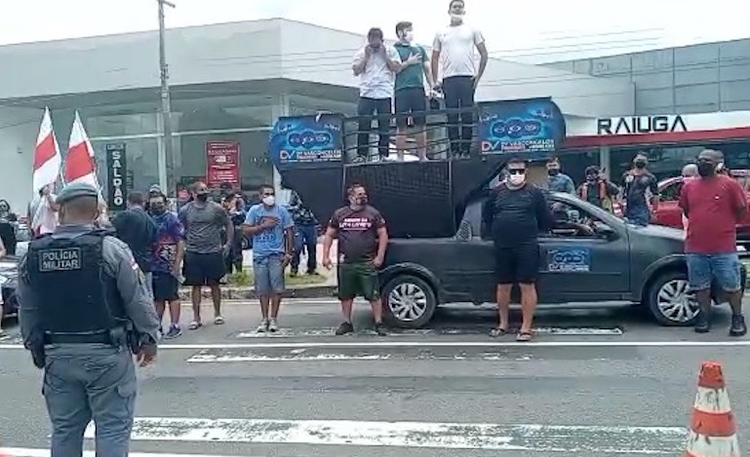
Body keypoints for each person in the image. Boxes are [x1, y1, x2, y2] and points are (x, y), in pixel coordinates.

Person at [17, 182, 159, 457]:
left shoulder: (33, 253)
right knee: (112, 429)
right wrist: (149, 338)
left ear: (59, 212)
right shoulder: (112, 249)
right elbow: (137, 299)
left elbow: (28, 307)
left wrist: (33, 343)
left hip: (58, 353)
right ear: (96, 213)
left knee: (65, 430)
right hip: (106, 352)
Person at [482, 158, 552, 342]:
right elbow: (487, 216)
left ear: (526, 172)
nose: (516, 175)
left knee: (526, 285)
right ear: (506, 172)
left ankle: (526, 328)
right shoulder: (496, 193)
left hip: (526, 245)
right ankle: (503, 324)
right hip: (502, 245)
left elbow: (544, 219)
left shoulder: (535, 193)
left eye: (520, 171)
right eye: (513, 171)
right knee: (503, 285)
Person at [680, 149, 747, 336]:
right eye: (700, 160)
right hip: (695, 246)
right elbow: (686, 211)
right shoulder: (689, 187)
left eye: (707, 161)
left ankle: (737, 318)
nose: (703, 164)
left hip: (723, 247)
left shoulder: (730, 185)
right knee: (700, 286)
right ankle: (704, 316)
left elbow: (741, 210)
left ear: (718, 164)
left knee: (732, 285)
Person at [322, 184, 389, 336]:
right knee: (345, 294)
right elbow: (329, 235)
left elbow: (383, 234)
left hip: (367, 261)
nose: (363, 197)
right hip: (346, 262)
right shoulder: (340, 214)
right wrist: (325, 256)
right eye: (359, 194)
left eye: (364, 194)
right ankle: (347, 322)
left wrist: (380, 256)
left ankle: (379, 323)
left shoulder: (373, 213)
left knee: (373, 294)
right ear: (351, 197)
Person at [431, 0, 488, 158]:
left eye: (460, 7)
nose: (457, 9)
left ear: (464, 11)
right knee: (452, 115)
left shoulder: (472, 29)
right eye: (455, 7)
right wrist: (435, 80)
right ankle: (455, 149)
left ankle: (466, 149)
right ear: (449, 10)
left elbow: (484, 53)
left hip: (467, 77)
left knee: (467, 114)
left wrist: (478, 77)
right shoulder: (441, 32)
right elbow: (434, 57)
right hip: (448, 78)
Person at [179, 181, 233, 330]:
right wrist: (182, 246)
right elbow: (180, 228)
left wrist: (228, 244)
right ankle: (196, 318)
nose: (204, 192)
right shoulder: (185, 210)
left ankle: (217, 313)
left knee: (214, 284)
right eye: (201, 190)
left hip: (213, 251)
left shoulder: (216, 209)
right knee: (195, 286)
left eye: (205, 189)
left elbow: (228, 224)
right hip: (193, 252)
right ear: (193, 193)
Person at [243, 185, 294, 333]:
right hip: (260, 255)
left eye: (272, 194)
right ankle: (264, 318)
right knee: (262, 290)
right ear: (260, 196)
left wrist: (289, 253)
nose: (270, 196)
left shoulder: (281, 211)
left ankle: (273, 319)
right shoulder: (254, 211)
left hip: (276, 255)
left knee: (277, 289)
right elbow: (246, 230)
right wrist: (263, 226)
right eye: (266, 194)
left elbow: (289, 231)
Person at [352, 27, 404, 161]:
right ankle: (362, 155)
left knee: (384, 126)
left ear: (382, 40)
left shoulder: (391, 51)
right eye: (371, 41)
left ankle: (383, 155)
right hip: (367, 92)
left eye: (376, 41)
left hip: (384, 92)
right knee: (364, 124)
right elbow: (356, 71)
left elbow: (397, 68)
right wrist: (367, 57)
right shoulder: (362, 52)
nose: (373, 44)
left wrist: (384, 56)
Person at [393, 21, 436, 162]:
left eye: (411, 30)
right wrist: (409, 62)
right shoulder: (394, 49)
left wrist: (432, 86)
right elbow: (395, 68)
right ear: (400, 32)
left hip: (418, 89)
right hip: (401, 90)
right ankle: (400, 157)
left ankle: (422, 156)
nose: (410, 33)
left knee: (420, 123)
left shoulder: (420, 49)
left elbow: (427, 68)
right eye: (407, 30)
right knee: (401, 125)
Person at [149, 192, 185, 339]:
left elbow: (180, 242)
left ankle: (174, 325)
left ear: (166, 204)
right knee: (158, 298)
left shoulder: (172, 220)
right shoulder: (149, 219)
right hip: (153, 264)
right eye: (154, 204)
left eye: (159, 203)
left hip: (168, 263)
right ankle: (158, 326)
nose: (157, 206)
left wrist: (177, 263)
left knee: (172, 296)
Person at [112, 192, 158, 298]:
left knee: (128, 295)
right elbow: (155, 243)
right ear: (143, 203)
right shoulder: (150, 220)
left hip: (126, 261)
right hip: (145, 263)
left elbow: (109, 230)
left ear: (128, 202)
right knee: (147, 294)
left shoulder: (123, 216)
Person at [621, 152, 659, 226]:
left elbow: (655, 195)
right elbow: (621, 192)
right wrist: (622, 206)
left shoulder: (650, 178)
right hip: (629, 209)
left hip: (642, 209)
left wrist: (654, 210)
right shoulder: (626, 175)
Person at [288, 189, 319, 276]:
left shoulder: (316, 192)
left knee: (312, 247)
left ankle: (311, 269)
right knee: (297, 247)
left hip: (312, 223)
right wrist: (299, 206)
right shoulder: (296, 192)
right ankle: (294, 269)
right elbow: (290, 207)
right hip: (299, 224)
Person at [222, 193, 246, 275]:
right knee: (227, 253)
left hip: (236, 231)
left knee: (237, 252)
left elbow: (243, 215)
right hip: (225, 232)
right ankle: (227, 272)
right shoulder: (223, 205)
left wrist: (234, 211)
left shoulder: (239, 204)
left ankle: (239, 273)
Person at [681, 164, 698, 231]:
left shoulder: (704, 188)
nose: (685, 179)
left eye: (688, 176)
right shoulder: (684, 189)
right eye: (683, 176)